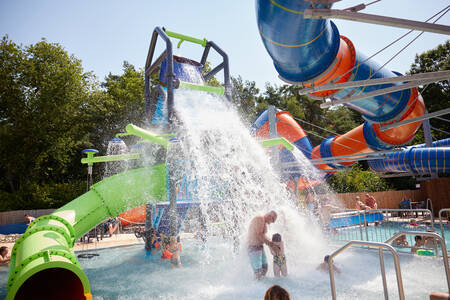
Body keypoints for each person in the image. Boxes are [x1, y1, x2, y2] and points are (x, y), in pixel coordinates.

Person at [247, 211, 278, 280]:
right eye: (273, 221)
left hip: (259, 247)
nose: (271, 223)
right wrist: (271, 244)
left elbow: (263, 235)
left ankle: (260, 284)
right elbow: (259, 235)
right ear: (270, 216)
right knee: (258, 271)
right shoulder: (260, 218)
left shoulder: (263, 222)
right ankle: (255, 286)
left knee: (265, 267)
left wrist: (272, 243)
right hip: (253, 247)